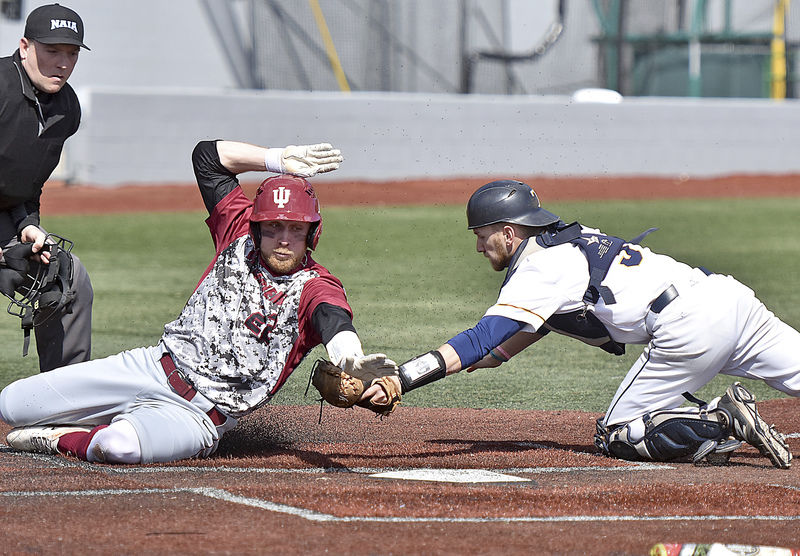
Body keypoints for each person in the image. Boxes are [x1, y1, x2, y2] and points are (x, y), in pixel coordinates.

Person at [0, 139, 396, 464]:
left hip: (196, 418)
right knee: (11, 404)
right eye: (273, 226)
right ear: (257, 227)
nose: (284, 238)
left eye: (296, 228)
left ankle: (60, 440)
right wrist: (276, 159)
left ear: (312, 233)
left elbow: (333, 319)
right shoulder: (239, 231)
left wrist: (348, 355)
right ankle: (108, 418)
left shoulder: (314, 285)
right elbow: (207, 158)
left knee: (117, 447)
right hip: (150, 368)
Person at [375, 179, 797, 468]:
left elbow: (480, 336)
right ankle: (712, 432)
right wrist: (499, 356)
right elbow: (542, 320)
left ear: (508, 233)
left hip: (689, 326)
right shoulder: (567, 241)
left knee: (616, 433)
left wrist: (400, 379)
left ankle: (722, 421)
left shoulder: (538, 269)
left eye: (482, 235)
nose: (478, 246)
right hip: (728, 298)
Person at [0, 3, 93, 371]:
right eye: (51, 50)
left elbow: (26, 183)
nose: (62, 63)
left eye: (71, 53)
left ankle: (62, 397)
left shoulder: (66, 107)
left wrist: (28, 225)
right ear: (25, 47)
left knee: (67, 276)